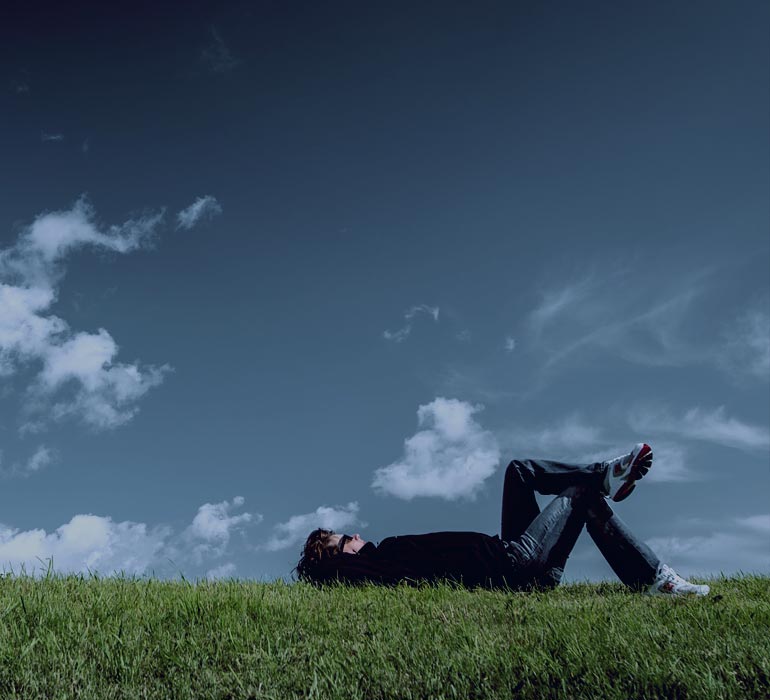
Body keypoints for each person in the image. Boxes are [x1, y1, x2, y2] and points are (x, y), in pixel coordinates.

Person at [295, 444, 710, 596]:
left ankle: (604, 476)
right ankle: (658, 578)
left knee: (519, 471)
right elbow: (334, 572)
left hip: (508, 552)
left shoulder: (384, 553)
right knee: (581, 495)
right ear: (337, 560)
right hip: (511, 566)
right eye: (341, 539)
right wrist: (329, 558)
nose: (352, 534)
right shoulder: (365, 567)